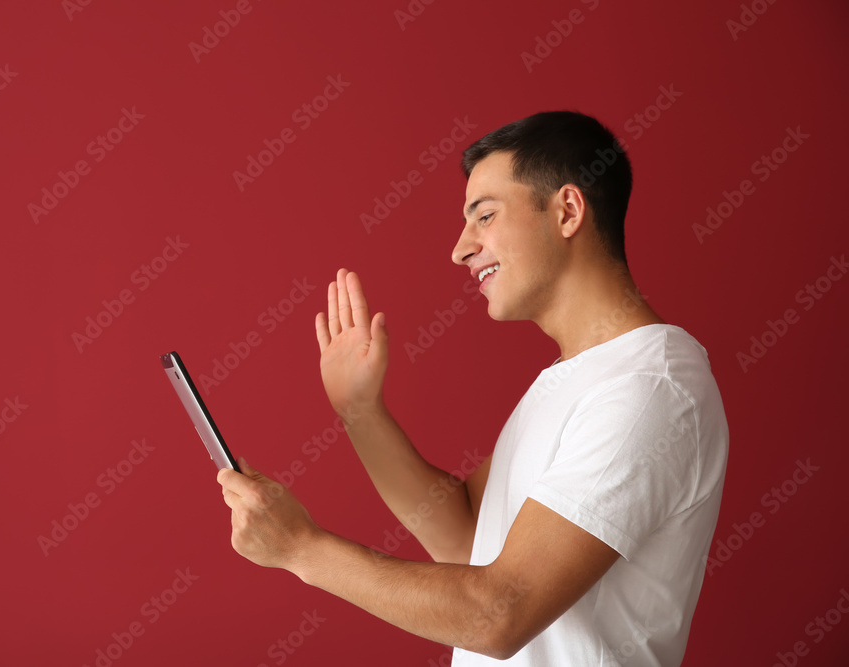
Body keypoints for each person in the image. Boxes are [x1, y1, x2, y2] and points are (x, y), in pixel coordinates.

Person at [217, 110, 729, 665]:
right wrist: (359, 411)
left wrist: (302, 549)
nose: (460, 249)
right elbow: (465, 538)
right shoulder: (576, 379)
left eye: (484, 215)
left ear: (568, 211)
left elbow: (499, 613)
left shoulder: (648, 386)